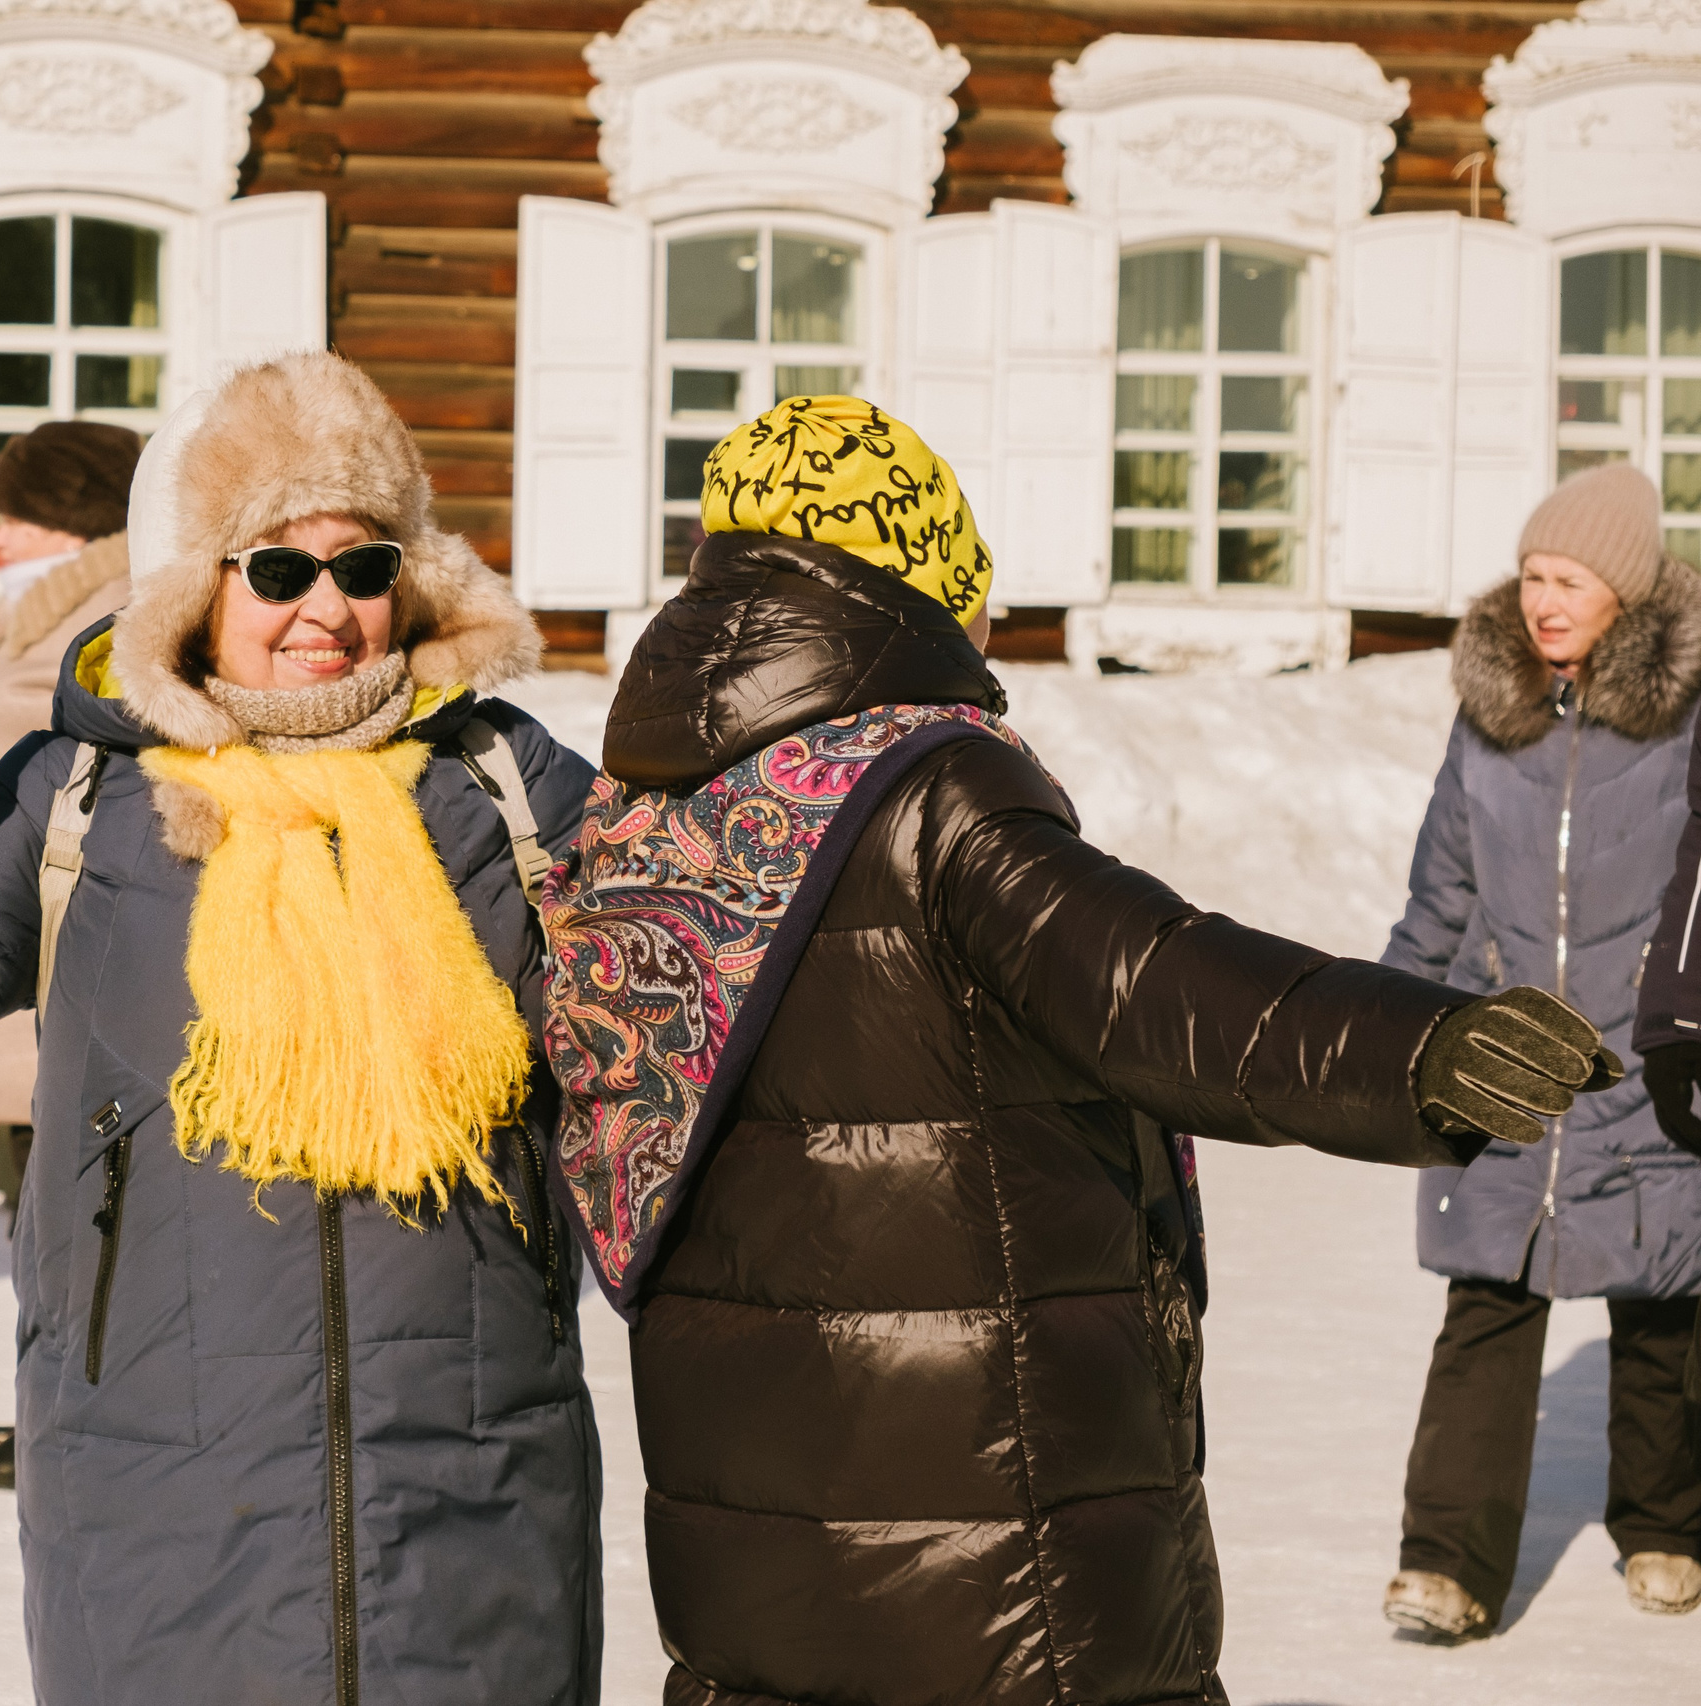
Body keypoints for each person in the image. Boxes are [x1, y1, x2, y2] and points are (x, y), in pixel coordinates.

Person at [536, 395, 1615, 1706]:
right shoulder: (925, 789)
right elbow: (1149, 980)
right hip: (998, 1560)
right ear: (919, 582)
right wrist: (1419, 1046)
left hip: (751, 1573)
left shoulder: (649, 803)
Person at [0, 352, 601, 1704]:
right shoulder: (87, 801)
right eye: (276, 567)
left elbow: (675, 1047)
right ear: (190, 587)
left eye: (365, 564)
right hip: (155, 1486)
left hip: (470, 1486)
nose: (326, 607)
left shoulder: (507, 792)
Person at [1377, 462, 1701, 1635]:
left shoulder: (1685, 719)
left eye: (1567, 578)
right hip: (1504, 1053)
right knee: (1486, 1297)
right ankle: (1445, 1563)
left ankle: (1665, 1522)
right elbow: (1440, 892)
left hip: (1650, 1057)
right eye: (1529, 575)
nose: (1542, 600)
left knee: (1664, 1302)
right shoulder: (1491, 715)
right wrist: (1393, 1025)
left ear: (1624, 589)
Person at [0, 422, 141, 1491]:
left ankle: (73, 1413)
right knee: (41, 1215)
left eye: (10, 520)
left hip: (55, 962)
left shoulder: (102, 616)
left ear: (73, 520)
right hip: (12, 945)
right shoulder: (54, 607)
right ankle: (45, 1405)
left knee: (74, 1221)